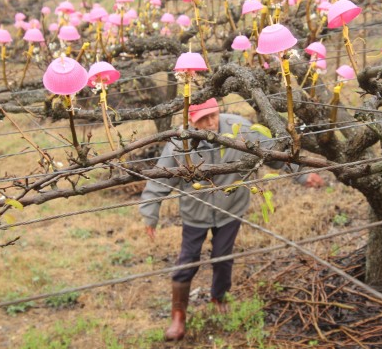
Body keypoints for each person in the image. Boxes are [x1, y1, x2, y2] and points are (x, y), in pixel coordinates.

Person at [139, 98, 324, 341]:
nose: (210, 122)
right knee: (188, 259)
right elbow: (160, 179)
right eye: (202, 119)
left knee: (222, 257)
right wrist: (150, 213)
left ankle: (219, 296)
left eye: (213, 115)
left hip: (231, 208)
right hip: (195, 212)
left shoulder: (241, 129)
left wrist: (301, 175)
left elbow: (275, 157)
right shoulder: (179, 142)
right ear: (191, 122)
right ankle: (178, 314)